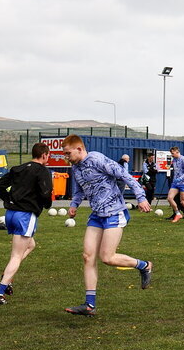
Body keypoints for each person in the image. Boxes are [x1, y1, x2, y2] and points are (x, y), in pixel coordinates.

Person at [63, 134, 153, 316]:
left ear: (79, 149)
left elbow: (124, 175)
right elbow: (79, 190)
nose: (66, 157)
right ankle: (90, 305)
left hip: (114, 212)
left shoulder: (96, 159)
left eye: (68, 153)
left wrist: (141, 197)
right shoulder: (76, 168)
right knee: (88, 256)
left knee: (107, 257)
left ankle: (144, 266)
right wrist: (74, 204)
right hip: (96, 215)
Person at [0, 143, 54, 305]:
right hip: (25, 215)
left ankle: (7, 274)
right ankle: (0, 292)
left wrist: (9, 199)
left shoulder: (17, 168)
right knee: (16, 256)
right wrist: (46, 205)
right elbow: (46, 192)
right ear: (45, 155)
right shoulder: (42, 171)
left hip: (10, 214)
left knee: (31, 245)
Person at [166, 146, 184, 223]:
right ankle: (177, 213)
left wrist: (180, 178)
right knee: (170, 198)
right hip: (175, 183)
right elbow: (175, 171)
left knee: (183, 201)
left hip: (183, 183)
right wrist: (174, 180)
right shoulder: (174, 160)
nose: (172, 155)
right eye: (171, 153)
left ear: (177, 152)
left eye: (173, 153)